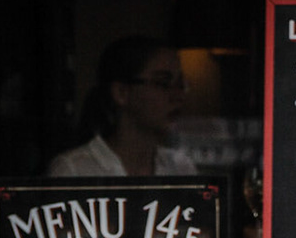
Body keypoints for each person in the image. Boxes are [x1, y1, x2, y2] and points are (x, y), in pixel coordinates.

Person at [48, 36, 195, 178]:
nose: (178, 96)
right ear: (121, 93)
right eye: (162, 83)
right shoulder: (74, 170)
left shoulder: (180, 168)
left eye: (181, 85)